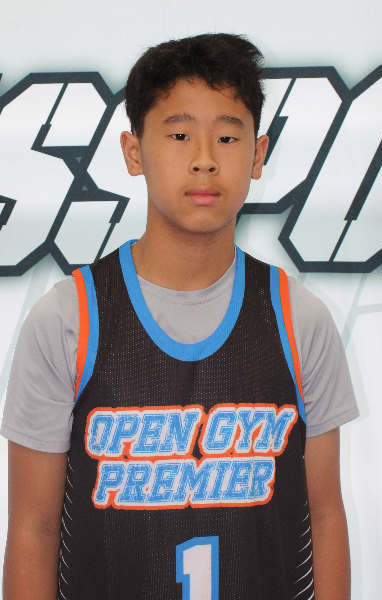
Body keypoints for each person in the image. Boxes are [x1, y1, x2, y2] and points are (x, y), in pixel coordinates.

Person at [1, 33, 358, 600]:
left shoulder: (300, 319)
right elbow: (33, 529)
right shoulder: (67, 321)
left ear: (258, 155)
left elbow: (326, 514)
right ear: (133, 151)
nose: (204, 158)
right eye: (179, 134)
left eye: (227, 136)